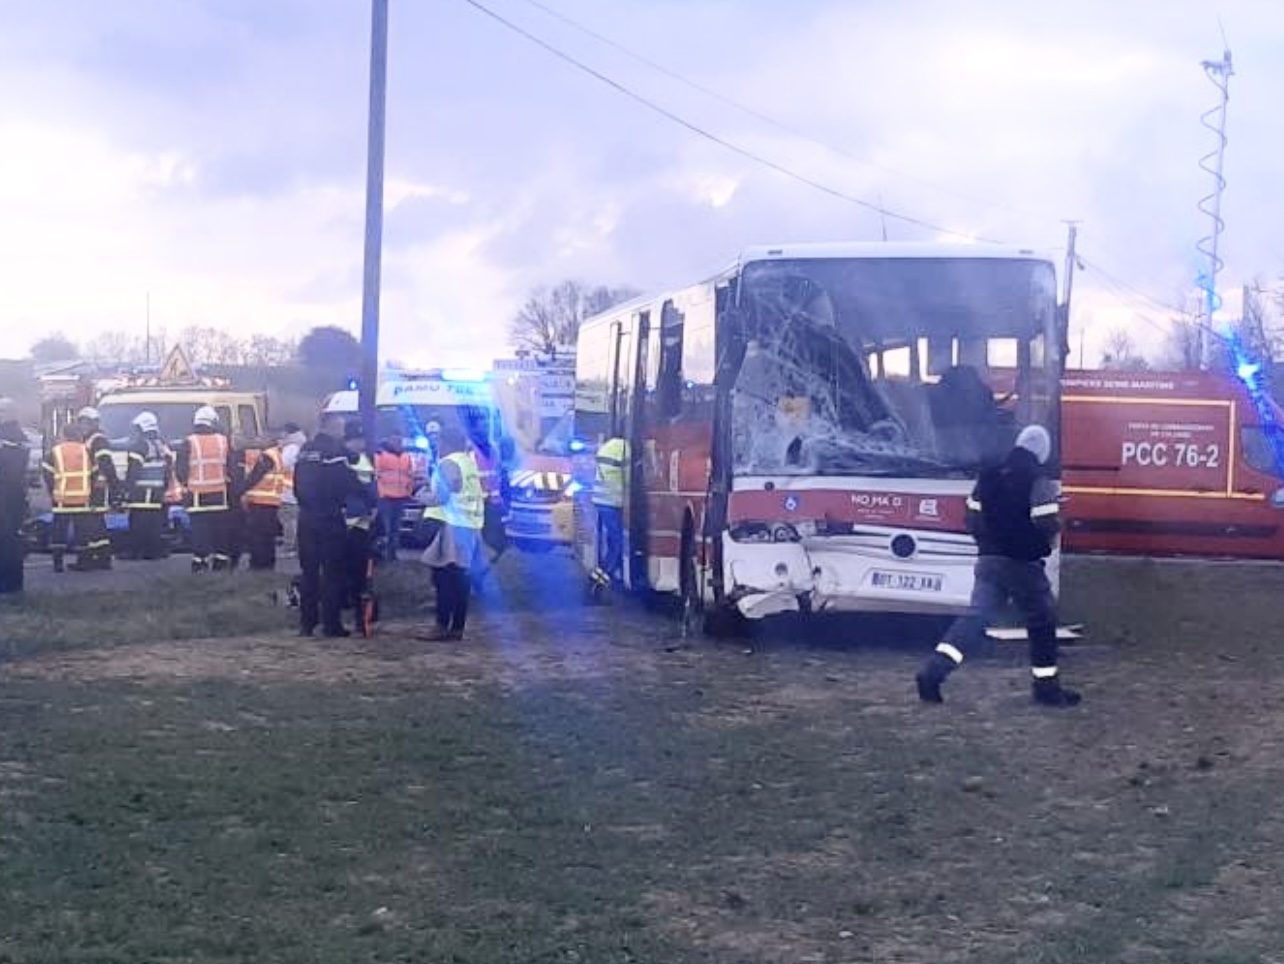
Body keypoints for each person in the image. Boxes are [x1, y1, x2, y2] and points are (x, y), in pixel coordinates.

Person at [915, 425, 1081, 708]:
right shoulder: (1038, 481)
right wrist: (1050, 535)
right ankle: (1047, 688)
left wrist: (989, 544)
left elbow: (971, 518)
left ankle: (933, 673)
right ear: (1042, 452)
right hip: (1023, 565)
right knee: (1042, 622)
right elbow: (1046, 522)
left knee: (975, 619)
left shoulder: (989, 477)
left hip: (988, 561)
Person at [294, 413, 364, 637]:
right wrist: (368, 497)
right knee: (333, 572)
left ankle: (307, 624)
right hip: (329, 516)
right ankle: (331, 625)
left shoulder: (305, 450)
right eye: (341, 428)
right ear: (333, 428)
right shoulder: (334, 451)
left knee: (309, 573)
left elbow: (297, 483)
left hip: (305, 517)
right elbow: (347, 480)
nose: (343, 433)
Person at [419, 425, 483, 641]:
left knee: (444, 577)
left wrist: (421, 495)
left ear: (444, 442)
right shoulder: (468, 462)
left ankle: (441, 625)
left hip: (452, 525)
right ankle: (457, 626)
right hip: (469, 525)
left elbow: (443, 496)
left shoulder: (449, 463)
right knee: (460, 578)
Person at [174, 406, 236, 573]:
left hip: (197, 495)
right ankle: (221, 561)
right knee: (220, 529)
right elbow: (231, 466)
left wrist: (185, 484)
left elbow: (180, 469)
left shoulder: (189, 442)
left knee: (200, 530)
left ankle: (200, 562)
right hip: (220, 495)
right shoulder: (223, 440)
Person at [122, 411, 173, 560]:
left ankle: (135, 552)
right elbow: (168, 467)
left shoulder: (139, 445)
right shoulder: (161, 444)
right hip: (157, 491)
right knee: (155, 522)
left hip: (141, 491)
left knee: (138, 522)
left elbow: (133, 471)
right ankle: (155, 551)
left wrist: (126, 491)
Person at [342, 423, 379, 624]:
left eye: (362, 440)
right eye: (357, 440)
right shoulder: (343, 459)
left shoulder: (363, 459)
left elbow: (371, 488)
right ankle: (349, 604)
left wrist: (374, 509)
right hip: (346, 519)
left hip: (361, 521)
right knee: (346, 568)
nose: (361, 444)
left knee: (360, 570)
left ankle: (360, 611)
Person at [43, 422, 91, 574]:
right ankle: (83, 562)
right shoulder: (86, 450)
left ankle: (58, 564)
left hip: (61, 499)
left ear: (64, 435)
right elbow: (95, 472)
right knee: (82, 531)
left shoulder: (55, 452)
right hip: (82, 498)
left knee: (59, 531)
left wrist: (53, 491)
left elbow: (47, 474)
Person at [76, 406, 118, 570]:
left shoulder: (98, 440)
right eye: (81, 422)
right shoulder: (89, 439)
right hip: (89, 488)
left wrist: (115, 487)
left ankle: (91, 560)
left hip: (95, 489)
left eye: (85, 422)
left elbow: (106, 464)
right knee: (96, 524)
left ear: (93, 423)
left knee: (91, 524)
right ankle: (102, 558)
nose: (82, 426)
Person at [239, 436, 286, 571]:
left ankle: (258, 564)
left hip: (260, 502)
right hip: (271, 501)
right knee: (267, 536)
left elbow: (255, 476)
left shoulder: (267, 456)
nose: (256, 440)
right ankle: (267, 564)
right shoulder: (276, 454)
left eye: (261, 438)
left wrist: (241, 490)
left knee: (258, 536)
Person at [590, 435, 629, 590]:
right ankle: (600, 579)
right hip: (613, 502)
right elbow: (629, 479)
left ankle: (609, 573)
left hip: (601, 500)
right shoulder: (626, 450)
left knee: (613, 540)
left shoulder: (608, 446)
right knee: (618, 542)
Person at [0, 397, 29, 596]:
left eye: (1, 411)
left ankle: (8, 585)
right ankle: (13, 584)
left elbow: (10, 470)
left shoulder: (9, 437)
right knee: (11, 538)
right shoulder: (19, 437)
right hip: (14, 495)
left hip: (7, 495)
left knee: (7, 539)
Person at [374, 435, 415, 561]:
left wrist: (409, 491)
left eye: (400, 441)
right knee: (386, 528)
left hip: (401, 497)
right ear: (389, 440)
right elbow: (376, 474)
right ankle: (383, 554)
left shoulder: (406, 456)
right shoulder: (380, 455)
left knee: (395, 528)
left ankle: (392, 555)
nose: (398, 443)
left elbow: (410, 475)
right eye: (396, 440)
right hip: (385, 496)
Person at [278, 422, 308, 558]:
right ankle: (294, 546)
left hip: (288, 491)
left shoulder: (291, 448)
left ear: (287, 433)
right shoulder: (302, 445)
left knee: (288, 520)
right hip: (297, 489)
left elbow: (282, 464)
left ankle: (290, 547)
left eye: (282, 432)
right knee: (293, 519)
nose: (280, 435)